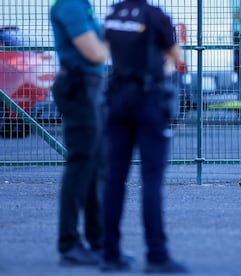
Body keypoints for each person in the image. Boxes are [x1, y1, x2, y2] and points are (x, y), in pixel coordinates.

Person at [101, 0, 187, 273]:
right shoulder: (155, 16)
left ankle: (109, 253)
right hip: (148, 102)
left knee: (114, 180)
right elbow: (177, 58)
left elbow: (105, 51)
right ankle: (157, 255)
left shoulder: (113, 14)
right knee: (151, 180)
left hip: (116, 100)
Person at [49, 0, 109, 266]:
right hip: (78, 89)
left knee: (95, 165)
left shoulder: (82, 5)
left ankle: (99, 242)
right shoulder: (69, 5)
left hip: (90, 88)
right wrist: (114, 43)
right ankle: (70, 244)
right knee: (81, 164)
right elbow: (95, 53)